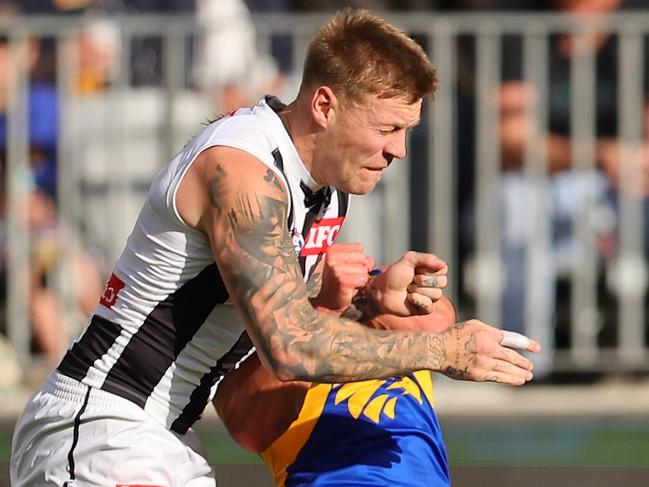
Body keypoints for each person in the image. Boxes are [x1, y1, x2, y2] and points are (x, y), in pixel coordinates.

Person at [11, 9, 539, 486]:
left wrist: (368, 300)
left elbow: (269, 340)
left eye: (408, 130)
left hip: (168, 441)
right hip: (102, 426)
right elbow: (292, 348)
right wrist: (445, 350)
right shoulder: (242, 172)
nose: (399, 149)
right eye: (388, 128)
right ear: (325, 105)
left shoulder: (325, 188)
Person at [215, 243, 461, 486]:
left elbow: (439, 321)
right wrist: (323, 310)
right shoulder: (238, 340)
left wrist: (365, 300)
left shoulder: (356, 281)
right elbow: (252, 430)